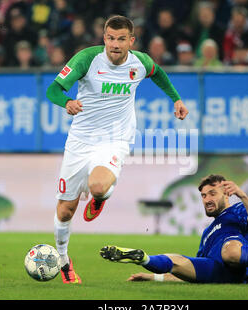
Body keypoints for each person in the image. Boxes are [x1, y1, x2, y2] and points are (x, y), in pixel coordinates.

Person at [45, 15, 189, 284]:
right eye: (110, 38)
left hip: (115, 139)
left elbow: (158, 74)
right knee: (65, 210)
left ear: (131, 41)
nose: (115, 44)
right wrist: (66, 102)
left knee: (98, 186)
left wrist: (176, 99)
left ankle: (100, 197)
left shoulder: (140, 62)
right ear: (104, 38)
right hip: (80, 141)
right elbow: (53, 90)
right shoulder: (87, 59)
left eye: (121, 39)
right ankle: (64, 261)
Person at [100, 174, 248, 286]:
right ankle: (144, 258)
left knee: (231, 250)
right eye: (203, 196)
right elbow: (188, 274)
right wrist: (151, 275)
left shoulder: (239, 211)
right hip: (214, 272)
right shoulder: (208, 232)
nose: (206, 199)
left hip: (235, 266)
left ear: (227, 193)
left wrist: (243, 195)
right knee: (177, 260)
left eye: (212, 193)